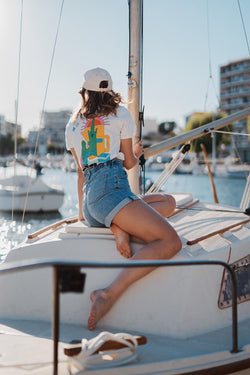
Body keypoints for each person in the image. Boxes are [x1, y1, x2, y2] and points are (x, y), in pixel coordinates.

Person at [65, 67, 182, 331]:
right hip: (112, 190)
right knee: (170, 241)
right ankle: (109, 293)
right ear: (108, 91)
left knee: (169, 202)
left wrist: (84, 215)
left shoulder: (72, 124)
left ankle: (116, 224)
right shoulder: (121, 114)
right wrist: (137, 153)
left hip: (93, 201)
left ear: (85, 92)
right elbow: (129, 163)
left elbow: (80, 172)